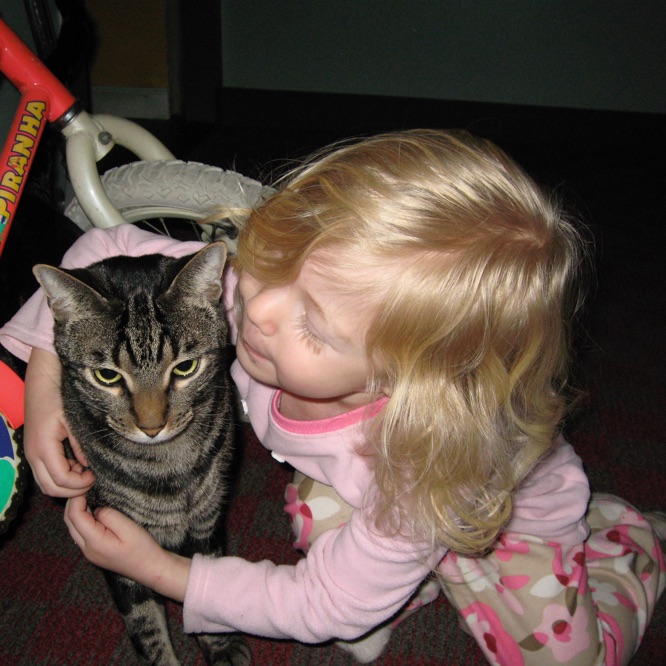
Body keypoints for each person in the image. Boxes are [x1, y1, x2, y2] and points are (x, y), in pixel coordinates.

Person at [1, 130, 664, 665]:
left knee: (563, 657)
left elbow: (325, 609)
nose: (258, 311)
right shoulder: (264, 300)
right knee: (325, 520)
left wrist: (164, 570)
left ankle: (632, 548)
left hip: (496, 514)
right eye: (275, 259)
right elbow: (103, 248)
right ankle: (400, 572)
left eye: (314, 326)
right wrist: (43, 378)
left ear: (403, 377)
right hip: (360, 484)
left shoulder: (411, 475)